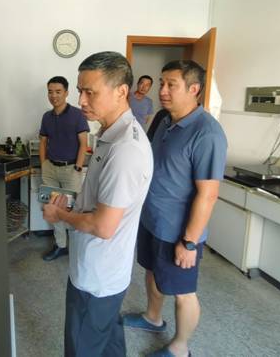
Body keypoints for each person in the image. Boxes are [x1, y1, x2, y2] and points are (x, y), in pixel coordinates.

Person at [43, 52, 153, 357]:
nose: (81, 100)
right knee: (107, 342)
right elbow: (102, 200)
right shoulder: (110, 134)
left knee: (83, 346)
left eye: (90, 92)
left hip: (97, 274)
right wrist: (74, 205)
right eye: (80, 90)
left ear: (121, 91)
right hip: (104, 270)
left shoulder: (125, 149)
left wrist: (60, 214)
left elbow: (104, 226)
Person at [122, 60, 227, 357]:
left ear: (194, 89)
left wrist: (189, 242)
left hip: (178, 231)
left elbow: (208, 195)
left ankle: (180, 347)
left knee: (183, 292)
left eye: (171, 85)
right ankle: (153, 318)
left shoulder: (207, 133)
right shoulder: (163, 119)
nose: (163, 91)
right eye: (162, 83)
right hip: (152, 219)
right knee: (152, 271)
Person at [39, 76, 89, 261]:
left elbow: (83, 143)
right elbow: (43, 142)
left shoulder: (77, 115)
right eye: (50, 92)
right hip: (51, 169)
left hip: (71, 170)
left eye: (58, 92)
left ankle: (77, 248)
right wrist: (44, 164)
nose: (54, 96)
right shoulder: (46, 117)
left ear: (66, 93)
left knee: (72, 209)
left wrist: (78, 167)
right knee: (53, 207)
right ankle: (61, 246)